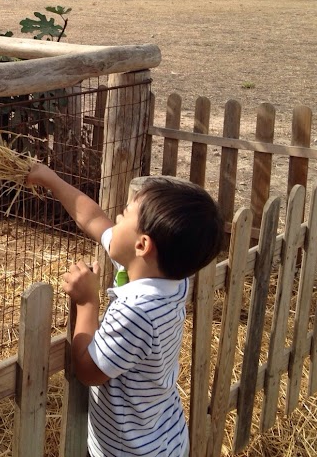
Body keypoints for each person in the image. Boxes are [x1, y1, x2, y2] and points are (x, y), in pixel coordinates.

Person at [26, 163, 223, 457]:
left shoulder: (137, 314)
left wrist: (86, 303)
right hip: (165, 436)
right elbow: (93, 218)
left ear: (142, 245)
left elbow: (90, 371)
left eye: (125, 214)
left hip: (130, 451)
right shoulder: (170, 280)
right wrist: (52, 181)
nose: (116, 217)